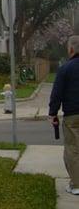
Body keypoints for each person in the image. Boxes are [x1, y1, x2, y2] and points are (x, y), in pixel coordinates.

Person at [49, 35, 79, 196]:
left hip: (73, 116)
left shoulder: (65, 68)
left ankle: (76, 184)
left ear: (71, 49)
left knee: (73, 149)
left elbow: (57, 94)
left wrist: (52, 113)